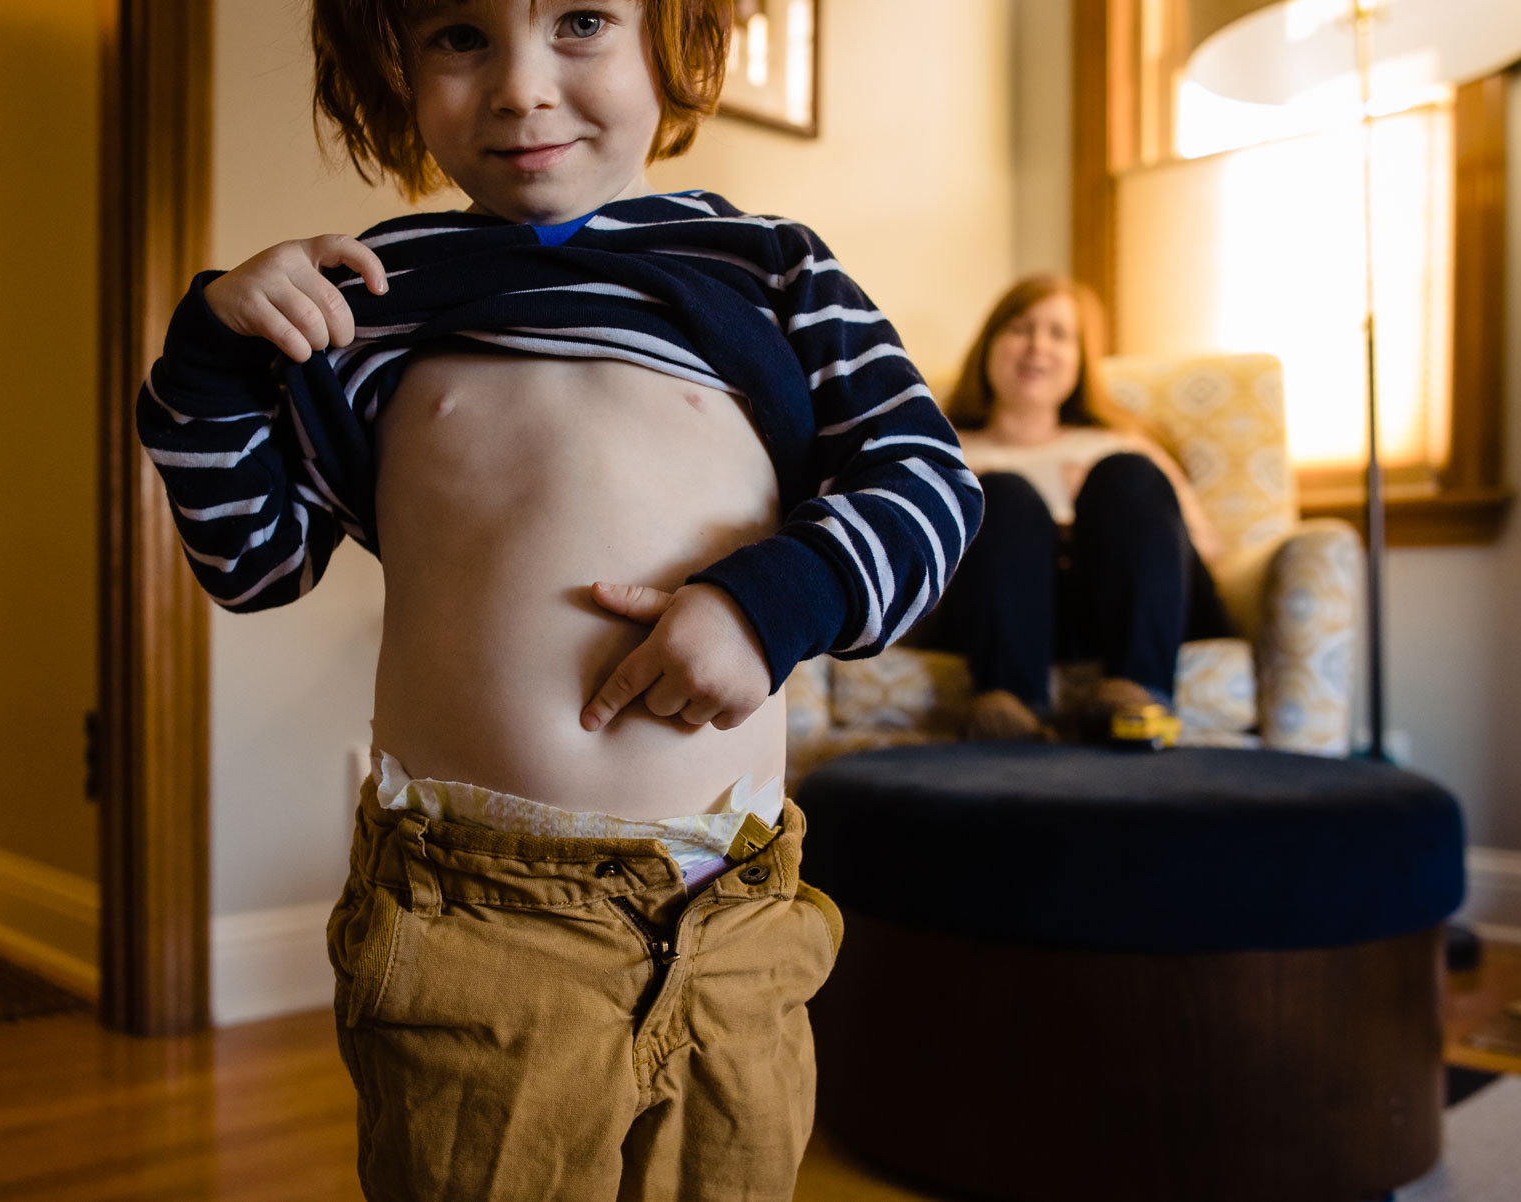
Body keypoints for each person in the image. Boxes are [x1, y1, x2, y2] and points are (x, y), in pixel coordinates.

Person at [136, 2, 981, 1196]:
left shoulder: (772, 265)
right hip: (476, 920)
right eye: (461, 36)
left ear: (674, 38)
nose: (521, 86)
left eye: (580, 20)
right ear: (395, 59)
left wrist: (772, 601)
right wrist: (212, 356)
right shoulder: (373, 293)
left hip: (734, 911)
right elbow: (254, 559)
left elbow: (930, 479)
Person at [929, 274, 1230, 742]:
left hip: (1122, 609)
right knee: (1002, 495)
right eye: (1020, 328)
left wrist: (1088, 529)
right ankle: (1009, 711)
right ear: (989, 344)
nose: (1037, 348)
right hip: (994, 615)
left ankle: (1138, 694)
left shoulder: (1123, 445)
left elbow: (1203, 556)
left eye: (1059, 334)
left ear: (1080, 360)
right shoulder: (942, 450)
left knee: (1125, 475)